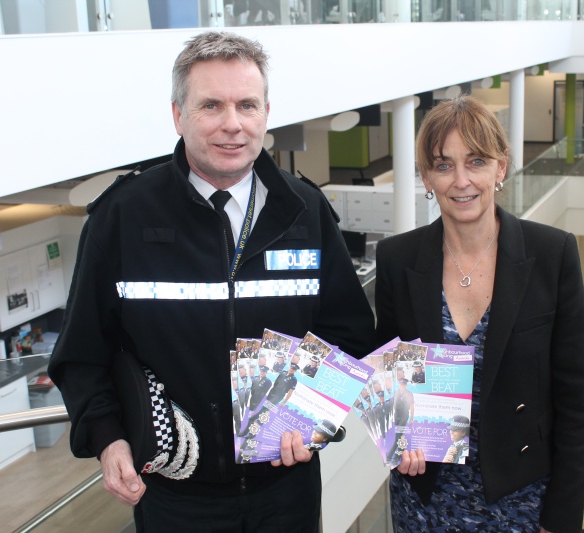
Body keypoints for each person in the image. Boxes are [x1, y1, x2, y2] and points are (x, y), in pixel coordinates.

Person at [47, 31, 375, 532]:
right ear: (178, 115)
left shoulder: (305, 212)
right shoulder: (122, 218)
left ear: (267, 112)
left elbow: (349, 335)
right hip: (174, 499)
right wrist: (108, 436)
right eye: (211, 106)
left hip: (286, 490)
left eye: (247, 105)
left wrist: (310, 413)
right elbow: (82, 353)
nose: (233, 125)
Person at [374, 95, 584, 532]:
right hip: (426, 497)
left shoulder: (552, 254)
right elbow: (386, 369)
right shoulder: (398, 258)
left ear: (501, 166)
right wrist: (399, 437)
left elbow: (573, 399)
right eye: (443, 165)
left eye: (475, 161)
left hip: (521, 496)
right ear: (425, 178)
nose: (461, 181)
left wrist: (562, 519)